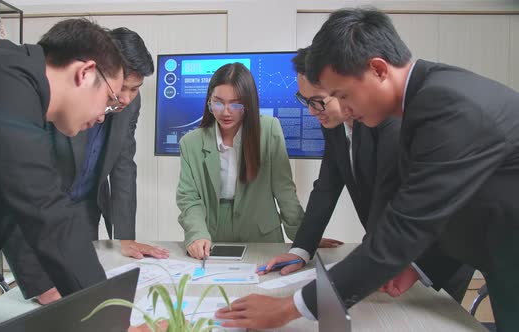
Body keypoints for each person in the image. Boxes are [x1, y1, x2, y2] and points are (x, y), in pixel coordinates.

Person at [217, 8, 519, 331]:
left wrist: (289, 308)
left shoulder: (443, 107)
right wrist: (417, 268)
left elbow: (405, 226)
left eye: (342, 95)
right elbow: (451, 206)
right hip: (495, 255)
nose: (342, 110)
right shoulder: (426, 99)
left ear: (378, 69)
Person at [0, 19, 125, 331]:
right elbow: (45, 207)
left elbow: (15, 201)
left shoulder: (11, 78)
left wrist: (48, 285)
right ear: (86, 73)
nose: (103, 115)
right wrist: (110, 321)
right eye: (111, 100)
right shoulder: (2, 80)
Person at [261, 47, 474, 304]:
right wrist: (301, 249)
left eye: (317, 101)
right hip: (390, 254)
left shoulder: (386, 123)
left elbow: (386, 198)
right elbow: (326, 188)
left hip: (432, 254)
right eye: (304, 100)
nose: (311, 111)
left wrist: (362, 268)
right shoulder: (334, 126)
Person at [2, 27, 169, 305]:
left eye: (134, 89)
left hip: (84, 207)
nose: (125, 98)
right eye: (120, 88)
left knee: (83, 291)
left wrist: (125, 238)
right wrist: (39, 285)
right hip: (42, 201)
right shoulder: (46, 96)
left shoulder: (129, 103)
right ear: (98, 72)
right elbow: (19, 187)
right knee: (45, 296)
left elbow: (123, 165)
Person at [177, 62, 304, 259]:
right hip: (212, 236)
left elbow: (284, 189)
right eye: (218, 102)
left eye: (235, 104)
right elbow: (189, 197)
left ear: (248, 103)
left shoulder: (269, 130)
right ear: (209, 101)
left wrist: (305, 238)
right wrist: (196, 234)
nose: (226, 112)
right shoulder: (190, 142)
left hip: (262, 237)